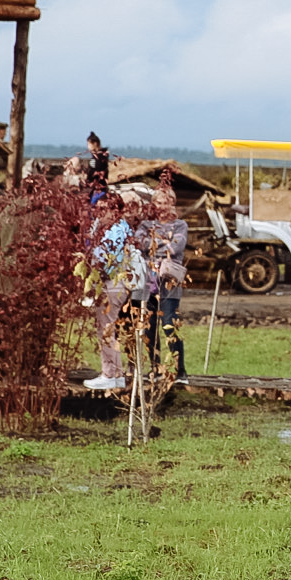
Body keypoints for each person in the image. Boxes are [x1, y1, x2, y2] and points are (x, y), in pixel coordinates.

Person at [82, 218, 145, 392]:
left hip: (112, 283)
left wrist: (97, 273)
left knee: (106, 327)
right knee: (108, 327)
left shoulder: (117, 229)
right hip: (113, 282)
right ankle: (115, 375)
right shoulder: (113, 227)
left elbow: (111, 258)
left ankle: (110, 374)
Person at [141, 188, 190, 382]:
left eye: (165, 203)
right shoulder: (146, 224)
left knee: (170, 324)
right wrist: (162, 243)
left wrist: (154, 245)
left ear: (173, 204)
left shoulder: (180, 225)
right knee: (148, 327)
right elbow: (140, 243)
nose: (161, 207)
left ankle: (179, 370)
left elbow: (176, 246)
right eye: (158, 203)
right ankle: (156, 368)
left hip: (169, 283)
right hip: (148, 282)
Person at [84, 133, 109, 201]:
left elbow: (98, 171)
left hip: (99, 187)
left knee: (92, 204)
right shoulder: (94, 156)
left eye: (89, 144)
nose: (88, 146)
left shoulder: (101, 157)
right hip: (92, 186)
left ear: (94, 143)